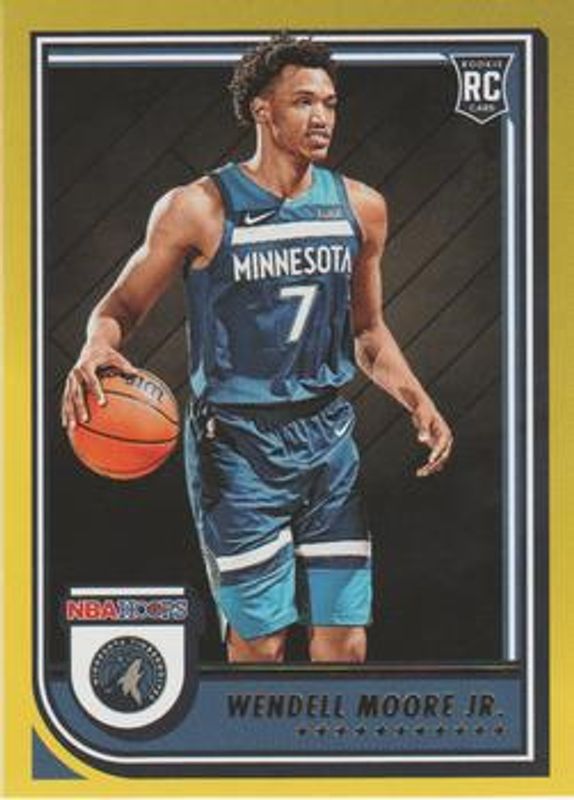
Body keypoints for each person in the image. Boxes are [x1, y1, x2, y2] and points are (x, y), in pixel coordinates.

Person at [61, 35, 453, 665]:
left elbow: (368, 333)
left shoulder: (361, 208)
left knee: (345, 644)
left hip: (326, 440)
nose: (322, 117)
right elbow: (119, 309)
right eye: (304, 101)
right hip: (237, 449)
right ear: (262, 111)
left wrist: (418, 401)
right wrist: (93, 347)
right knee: (261, 645)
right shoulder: (197, 208)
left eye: (330, 103)